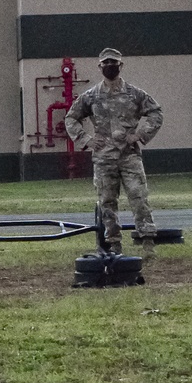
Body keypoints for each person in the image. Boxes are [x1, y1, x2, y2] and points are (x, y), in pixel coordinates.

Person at [64, 48, 164, 253]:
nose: (110, 66)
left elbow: (156, 113)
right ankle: (114, 243)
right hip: (103, 158)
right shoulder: (91, 96)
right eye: (106, 63)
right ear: (100, 66)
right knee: (107, 202)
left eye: (114, 63)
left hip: (129, 155)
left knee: (139, 196)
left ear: (121, 66)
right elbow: (71, 118)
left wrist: (140, 135)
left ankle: (147, 241)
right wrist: (87, 140)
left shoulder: (134, 94)